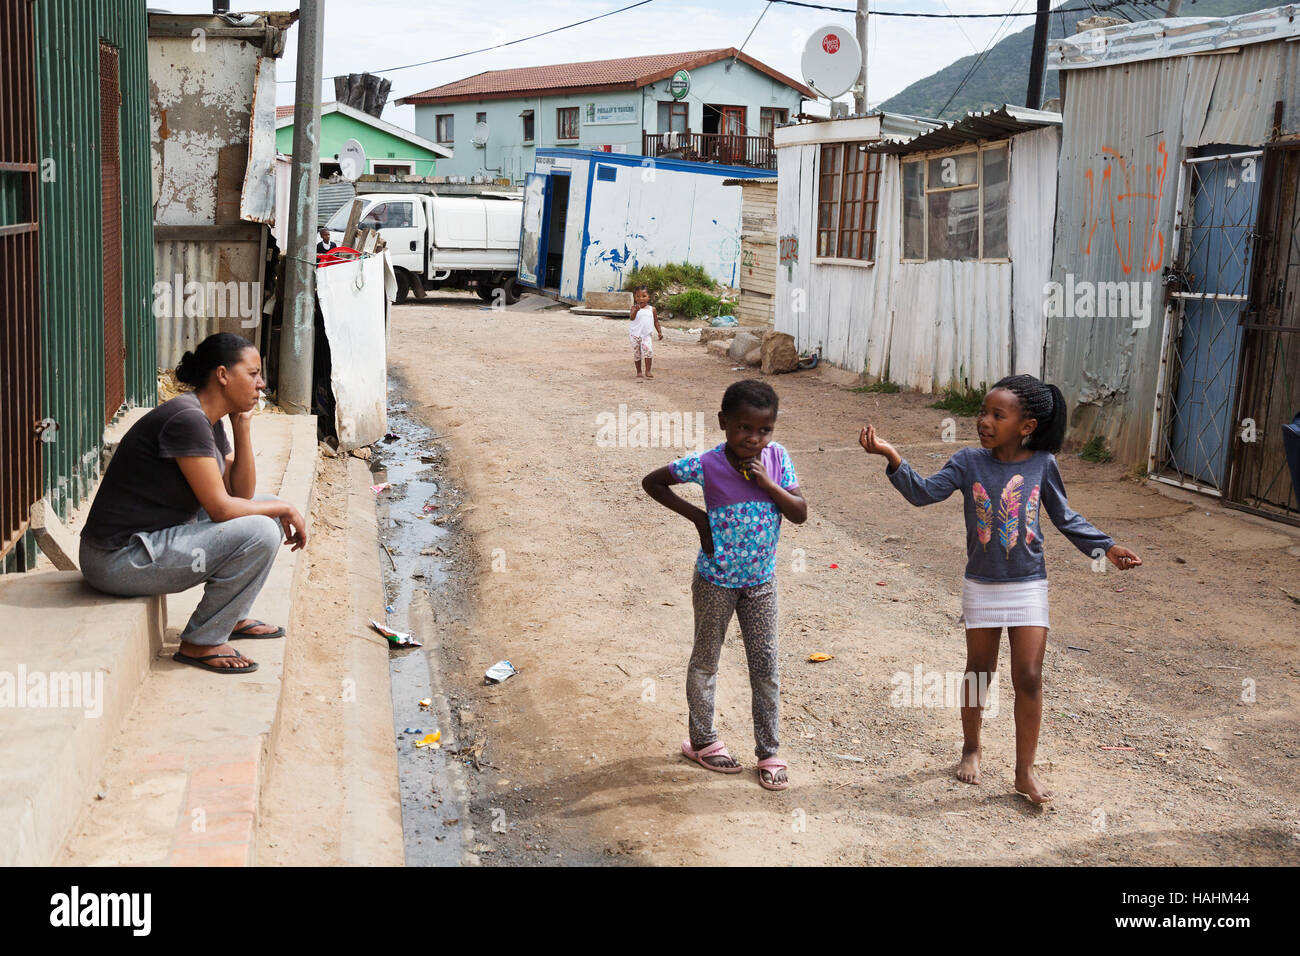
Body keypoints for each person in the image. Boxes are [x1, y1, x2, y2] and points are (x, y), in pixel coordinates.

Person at [859, 373, 1141, 805]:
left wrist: (1106, 547)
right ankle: (971, 747)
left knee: (1029, 676)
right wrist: (892, 456)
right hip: (983, 584)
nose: (984, 421)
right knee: (979, 673)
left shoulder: (1042, 464)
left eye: (997, 414)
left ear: (1026, 426)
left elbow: (1065, 518)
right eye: (983, 412)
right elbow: (924, 494)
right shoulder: (968, 461)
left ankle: (1024, 771)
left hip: (1028, 584)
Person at [79, 333, 308, 675]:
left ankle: (229, 616)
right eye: (253, 373)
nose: (261, 385)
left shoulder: (207, 418)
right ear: (222, 375)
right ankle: (201, 642)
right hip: (116, 559)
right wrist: (287, 508)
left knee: (267, 511)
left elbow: (240, 495)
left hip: (148, 542)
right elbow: (221, 509)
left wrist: (241, 427)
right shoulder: (186, 419)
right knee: (263, 526)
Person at [642, 380, 807, 790]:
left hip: (760, 585)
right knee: (705, 661)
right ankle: (701, 741)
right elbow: (653, 482)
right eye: (743, 428)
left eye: (764, 430)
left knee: (766, 667)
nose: (754, 438)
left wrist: (768, 483)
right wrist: (699, 518)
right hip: (715, 581)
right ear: (723, 424)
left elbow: (800, 513)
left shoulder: (777, 459)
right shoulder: (706, 464)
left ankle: (768, 751)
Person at [628, 285, 662, 379]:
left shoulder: (652, 309)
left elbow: (656, 321)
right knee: (637, 353)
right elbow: (632, 317)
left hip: (646, 335)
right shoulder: (634, 308)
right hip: (635, 335)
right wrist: (635, 311)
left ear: (648, 297)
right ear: (635, 297)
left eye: (643, 296)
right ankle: (639, 371)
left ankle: (648, 371)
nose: (640, 298)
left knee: (648, 351)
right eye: (638, 296)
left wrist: (659, 332)